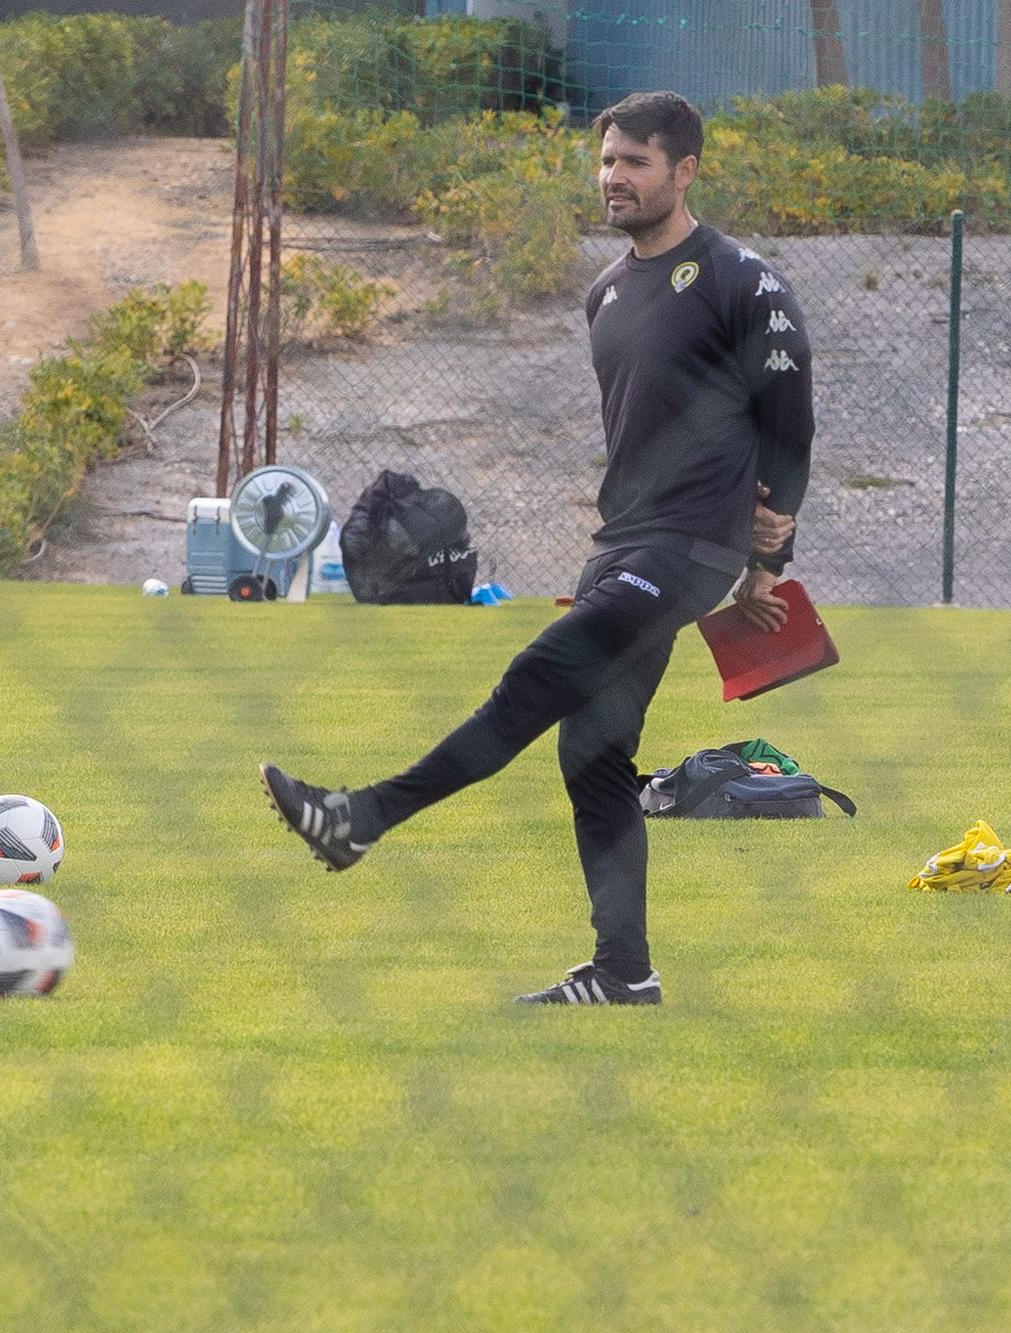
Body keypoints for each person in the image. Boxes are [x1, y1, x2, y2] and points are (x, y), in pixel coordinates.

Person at [259, 90, 814, 1005]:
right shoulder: (604, 293)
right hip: (622, 545)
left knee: (535, 675)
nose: (614, 178)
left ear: (685, 171)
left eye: (635, 162)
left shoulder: (743, 283)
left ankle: (361, 817)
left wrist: (769, 559)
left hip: (690, 549)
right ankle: (625, 973)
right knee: (593, 761)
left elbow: (790, 425)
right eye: (607, 161)